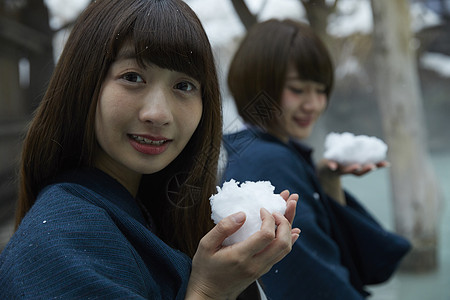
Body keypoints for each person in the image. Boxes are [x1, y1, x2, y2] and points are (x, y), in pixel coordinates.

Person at [0, 2, 301, 299]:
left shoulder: (150, 209)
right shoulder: (61, 240)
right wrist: (210, 291)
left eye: (184, 86)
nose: (158, 114)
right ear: (84, 82)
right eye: (133, 77)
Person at [222, 19, 411, 299]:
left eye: (321, 90)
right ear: (257, 86)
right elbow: (315, 282)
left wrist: (328, 182)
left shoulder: (248, 148)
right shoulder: (269, 161)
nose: (313, 104)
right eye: (298, 90)